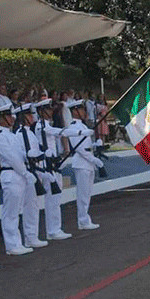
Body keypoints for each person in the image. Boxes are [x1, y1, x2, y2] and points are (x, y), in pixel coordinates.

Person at [0, 103, 36, 256]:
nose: (12, 118)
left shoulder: (11, 135)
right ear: (1, 118)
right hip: (11, 174)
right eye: (8, 115)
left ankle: (17, 242)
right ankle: (11, 245)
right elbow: (12, 158)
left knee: (16, 211)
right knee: (10, 213)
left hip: (18, 175)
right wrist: (25, 172)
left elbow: (20, 155)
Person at [33, 98, 72, 240]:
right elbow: (55, 132)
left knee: (56, 199)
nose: (51, 112)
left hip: (54, 165)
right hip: (46, 167)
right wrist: (73, 132)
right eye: (48, 109)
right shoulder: (40, 126)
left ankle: (55, 228)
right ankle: (52, 230)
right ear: (41, 111)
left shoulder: (47, 125)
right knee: (52, 200)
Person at [64, 99, 104, 231]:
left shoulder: (83, 126)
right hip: (82, 163)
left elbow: (86, 146)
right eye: (81, 109)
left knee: (87, 194)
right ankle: (82, 221)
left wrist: (95, 145)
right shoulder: (73, 127)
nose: (84, 111)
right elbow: (79, 149)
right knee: (82, 195)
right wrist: (95, 160)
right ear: (75, 111)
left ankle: (85, 219)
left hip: (87, 163)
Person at [14, 103, 49, 248]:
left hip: (36, 170)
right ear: (23, 117)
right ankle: (29, 236)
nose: (32, 117)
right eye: (29, 114)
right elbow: (21, 155)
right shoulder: (19, 134)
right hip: (28, 172)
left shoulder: (30, 132)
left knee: (34, 206)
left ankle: (33, 235)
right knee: (29, 206)